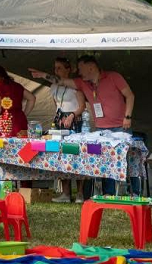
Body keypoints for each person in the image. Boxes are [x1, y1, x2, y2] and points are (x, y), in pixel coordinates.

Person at [30, 55, 135, 196]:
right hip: (101, 130)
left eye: (80, 68)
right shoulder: (82, 83)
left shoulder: (113, 77)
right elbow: (60, 81)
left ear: (91, 67)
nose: (79, 72)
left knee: (126, 159)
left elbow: (130, 96)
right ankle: (108, 193)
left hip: (120, 127)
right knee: (104, 162)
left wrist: (127, 116)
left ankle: (134, 192)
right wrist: (43, 75)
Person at [33, 57, 85, 203]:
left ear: (68, 69)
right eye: (55, 68)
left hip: (74, 122)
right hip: (60, 121)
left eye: (60, 68)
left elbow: (82, 106)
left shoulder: (75, 85)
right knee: (60, 154)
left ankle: (80, 193)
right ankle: (66, 193)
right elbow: (56, 105)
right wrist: (58, 118)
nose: (56, 71)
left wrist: (72, 115)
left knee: (76, 154)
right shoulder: (53, 87)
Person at [0, 65, 34, 138]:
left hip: (4, 124)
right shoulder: (17, 86)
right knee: (22, 147)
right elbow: (32, 98)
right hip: (20, 121)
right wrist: (24, 114)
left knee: (0, 147)